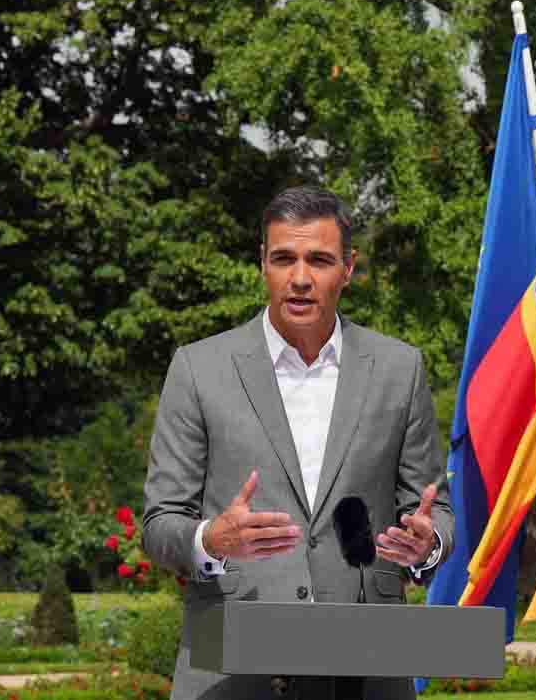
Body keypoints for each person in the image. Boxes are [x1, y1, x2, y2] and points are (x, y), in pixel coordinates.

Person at [143, 186, 453, 700]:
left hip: (366, 669)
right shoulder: (198, 369)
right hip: (231, 670)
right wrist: (210, 539)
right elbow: (160, 524)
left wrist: (428, 542)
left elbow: (431, 509)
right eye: (284, 258)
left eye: (320, 260)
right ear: (263, 263)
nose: (301, 278)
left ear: (348, 268)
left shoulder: (400, 369)